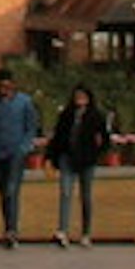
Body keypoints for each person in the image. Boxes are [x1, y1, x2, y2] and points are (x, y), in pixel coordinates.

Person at [0, 71, 43, 250]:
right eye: (0, 86)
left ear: (12, 85)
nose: (4, 90)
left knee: (12, 190)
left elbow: (31, 126)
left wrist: (25, 146)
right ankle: (8, 226)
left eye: (7, 86)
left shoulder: (24, 102)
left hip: (16, 153)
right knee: (4, 192)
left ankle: (12, 230)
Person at [45, 83, 114, 247]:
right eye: (77, 96)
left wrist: (97, 153)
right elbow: (57, 136)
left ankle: (86, 232)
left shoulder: (96, 116)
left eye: (83, 96)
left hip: (86, 160)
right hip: (67, 157)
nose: (80, 100)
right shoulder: (66, 115)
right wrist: (51, 157)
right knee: (65, 193)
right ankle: (62, 230)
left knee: (86, 196)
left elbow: (105, 138)